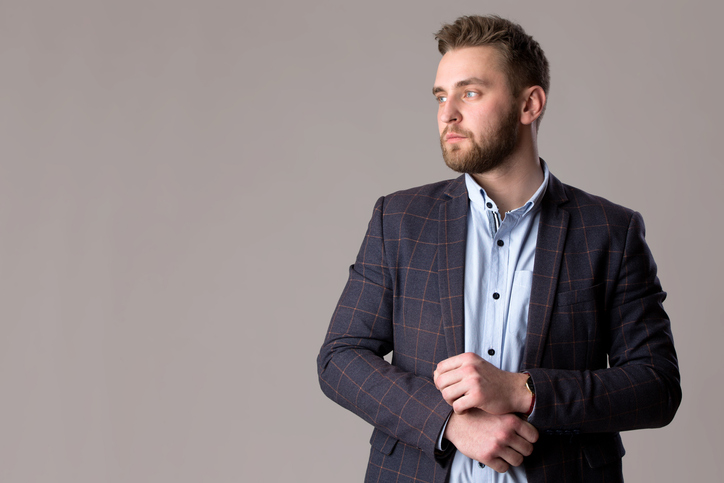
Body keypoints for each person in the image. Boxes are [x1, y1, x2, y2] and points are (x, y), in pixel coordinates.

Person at [317, 14, 680, 483]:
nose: (448, 113)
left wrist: (524, 391)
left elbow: (656, 385)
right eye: (441, 96)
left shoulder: (610, 231)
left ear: (529, 104)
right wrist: (447, 423)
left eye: (469, 93)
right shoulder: (400, 219)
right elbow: (340, 358)